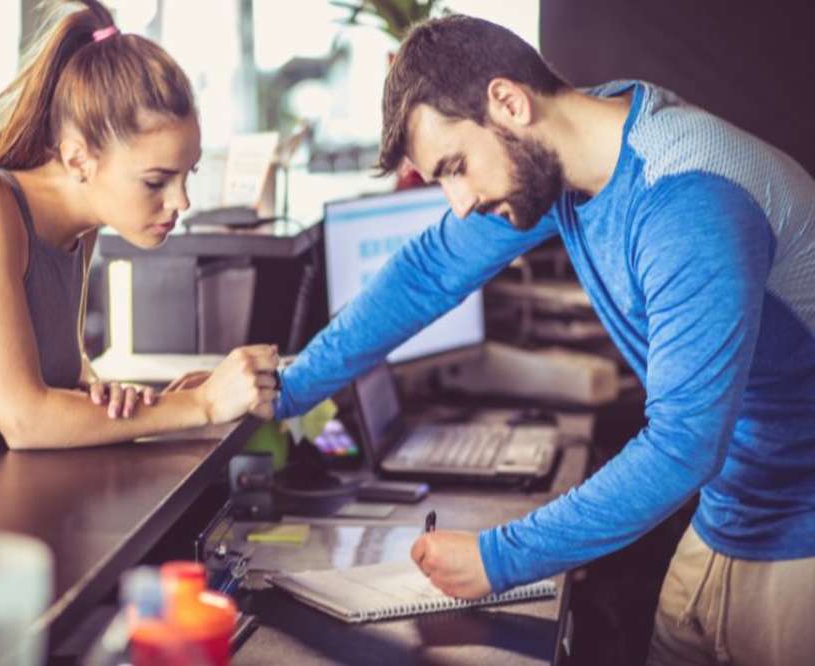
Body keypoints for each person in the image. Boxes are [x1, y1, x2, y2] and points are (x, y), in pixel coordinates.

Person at [274, 14, 814, 666]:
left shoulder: (686, 199)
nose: (460, 202)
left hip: (800, 528)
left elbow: (683, 446)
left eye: (455, 167)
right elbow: (429, 271)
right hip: (733, 506)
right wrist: (286, 387)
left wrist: (498, 560)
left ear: (508, 102)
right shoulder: (572, 150)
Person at [0, 0, 278, 452]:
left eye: (186, 175)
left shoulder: (79, 228)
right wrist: (200, 404)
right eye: (157, 181)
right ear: (78, 157)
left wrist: (116, 396)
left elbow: (61, 372)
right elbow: (25, 420)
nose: (181, 201)